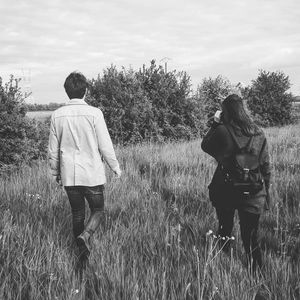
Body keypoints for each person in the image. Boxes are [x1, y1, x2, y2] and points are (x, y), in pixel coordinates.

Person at [48, 71, 121, 265]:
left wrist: (55, 173)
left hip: (70, 176)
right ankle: (86, 236)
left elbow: (53, 150)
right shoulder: (95, 113)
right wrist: (115, 166)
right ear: (85, 91)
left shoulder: (57, 115)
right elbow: (105, 144)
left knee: (77, 213)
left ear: (67, 91)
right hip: (92, 174)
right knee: (98, 210)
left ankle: (82, 256)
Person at [201, 94, 271, 273]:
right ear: (243, 110)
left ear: (226, 112)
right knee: (251, 237)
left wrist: (215, 123)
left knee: (225, 227)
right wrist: (267, 194)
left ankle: (224, 264)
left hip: (226, 189)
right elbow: (265, 166)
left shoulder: (222, 131)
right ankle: (257, 274)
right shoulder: (259, 133)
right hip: (254, 192)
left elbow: (205, 145)